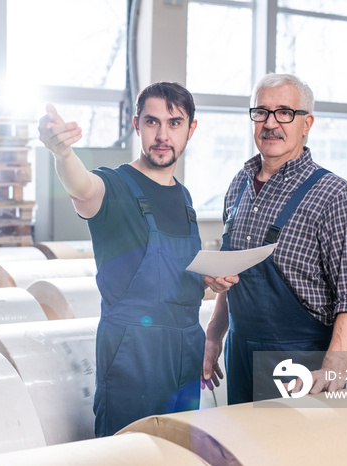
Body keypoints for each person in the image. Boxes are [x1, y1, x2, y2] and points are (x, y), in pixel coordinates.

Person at [38, 82, 227, 437]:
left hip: (185, 352)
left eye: (174, 123)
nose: (162, 134)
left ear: (191, 129)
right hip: (133, 355)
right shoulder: (115, 186)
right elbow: (83, 187)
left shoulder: (184, 198)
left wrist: (206, 280)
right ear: (137, 125)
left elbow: (174, 272)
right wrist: (62, 155)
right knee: (126, 454)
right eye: (152, 122)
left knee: (177, 455)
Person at [200, 73, 347, 404]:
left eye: (284, 112)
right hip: (240, 354)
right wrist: (213, 336)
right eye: (261, 112)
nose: (270, 123)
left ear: (306, 123)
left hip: (301, 362)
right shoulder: (239, 185)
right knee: (245, 452)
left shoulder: (333, 194)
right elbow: (231, 272)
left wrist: (334, 371)